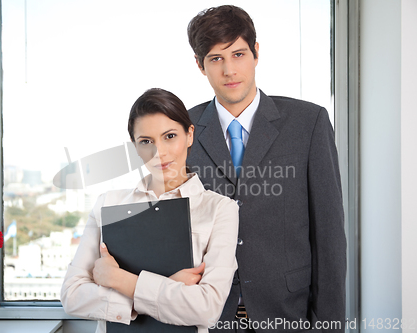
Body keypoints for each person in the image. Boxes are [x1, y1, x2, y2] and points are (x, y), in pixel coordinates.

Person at [185, 5, 346, 332]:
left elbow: (329, 237)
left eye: (238, 54)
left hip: (288, 316)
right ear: (200, 65)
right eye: (216, 59)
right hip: (208, 319)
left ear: (256, 53)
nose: (230, 70)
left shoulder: (308, 124)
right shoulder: (182, 130)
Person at [60, 88, 239, 333]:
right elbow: (72, 295)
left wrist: (119, 280)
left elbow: (207, 308)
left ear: (189, 136)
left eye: (170, 136)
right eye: (146, 141)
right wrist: (162, 290)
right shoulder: (107, 204)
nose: (159, 153)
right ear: (135, 147)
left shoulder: (220, 209)